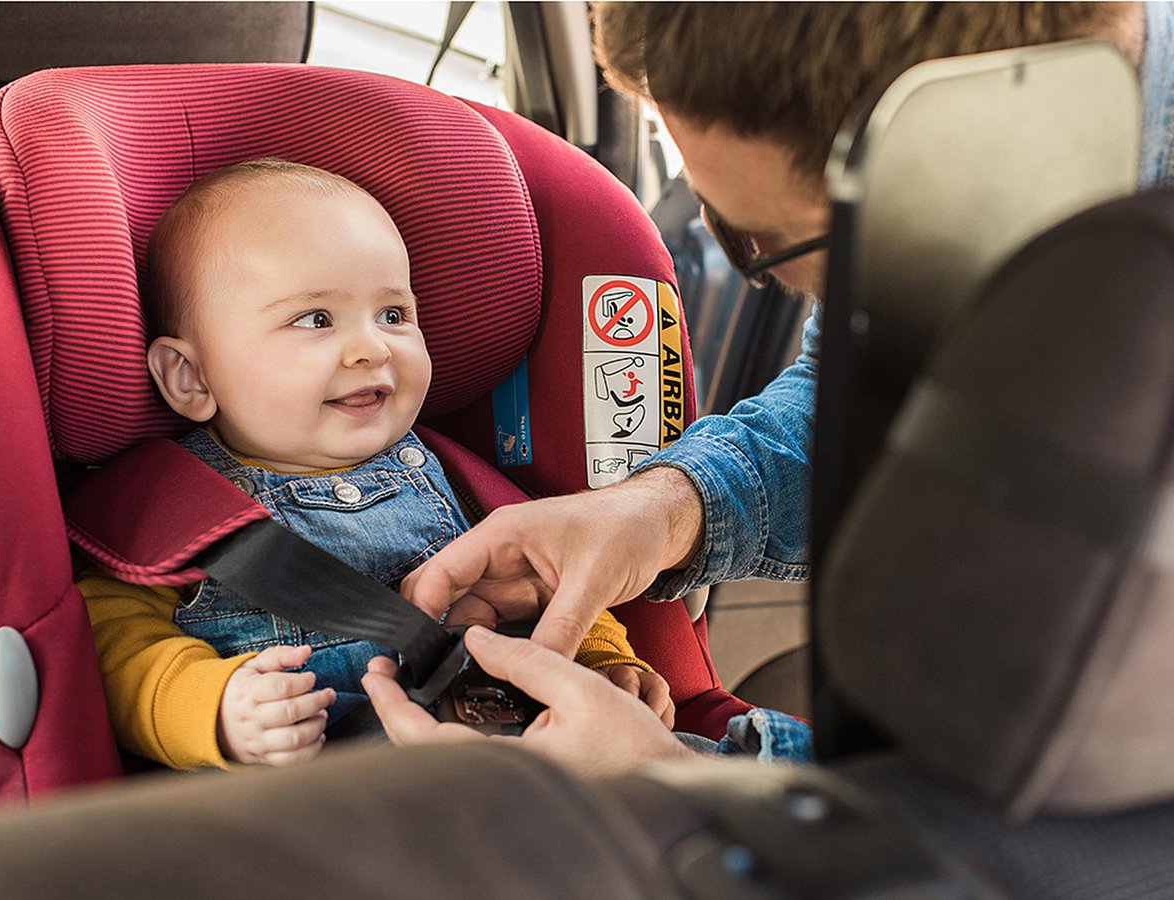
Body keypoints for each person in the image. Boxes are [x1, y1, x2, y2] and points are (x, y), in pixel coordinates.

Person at [365, 1, 1172, 775]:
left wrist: (684, 780)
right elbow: (860, 382)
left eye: (774, 238)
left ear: (977, 142)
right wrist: (662, 509)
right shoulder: (958, 188)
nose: (766, 275)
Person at [78, 158, 673, 770]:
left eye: (393, 315)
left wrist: (602, 660)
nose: (372, 348)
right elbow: (114, 644)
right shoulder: (170, 511)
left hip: (526, 754)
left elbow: (550, 580)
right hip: (340, 798)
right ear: (191, 376)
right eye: (315, 320)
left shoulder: (454, 477)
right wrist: (218, 708)